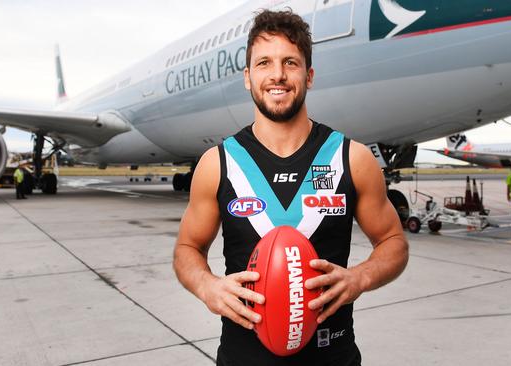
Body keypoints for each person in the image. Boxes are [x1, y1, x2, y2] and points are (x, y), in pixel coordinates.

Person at [173, 9, 408, 366]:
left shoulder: (351, 158)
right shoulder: (218, 163)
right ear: (248, 78)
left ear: (309, 75)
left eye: (291, 63)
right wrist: (207, 286)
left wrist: (360, 277)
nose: (278, 75)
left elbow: (394, 243)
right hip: (242, 357)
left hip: (333, 356)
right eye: (264, 63)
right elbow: (187, 248)